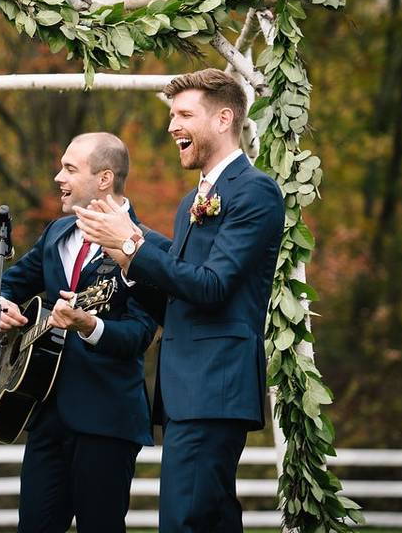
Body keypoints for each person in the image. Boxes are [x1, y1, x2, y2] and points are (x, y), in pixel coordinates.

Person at [74, 69, 285, 533]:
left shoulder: (255, 191)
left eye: (185, 114)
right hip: (187, 388)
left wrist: (133, 245)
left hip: (216, 383)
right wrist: (127, 265)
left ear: (224, 118)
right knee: (210, 520)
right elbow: (178, 299)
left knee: (185, 521)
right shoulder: (192, 199)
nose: (172, 126)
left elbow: (212, 286)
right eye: (172, 115)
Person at [0, 132, 157, 533]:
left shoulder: (148, 246)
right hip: (46, 414)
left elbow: (138, 334)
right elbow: (6, 284)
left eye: (69, 168)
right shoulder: (56, 234)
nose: (57, 177)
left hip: (107, 420)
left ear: (104, 179)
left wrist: (90, 325)